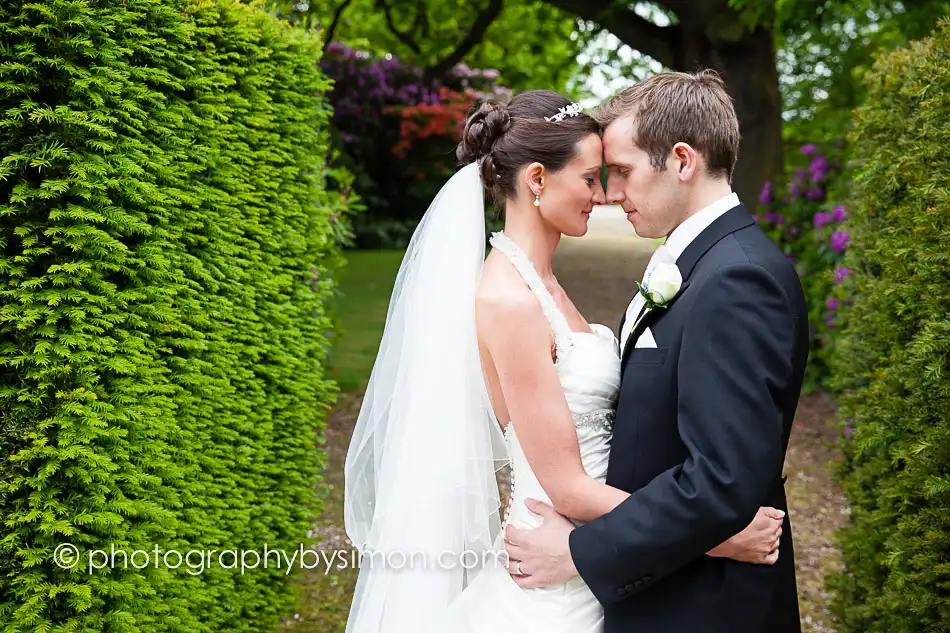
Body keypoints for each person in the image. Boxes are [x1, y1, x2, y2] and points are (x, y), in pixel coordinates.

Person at [342, 87, 784, 633]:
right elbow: (568, 487)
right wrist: (718, 539)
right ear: (536, 180)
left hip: (608, 564)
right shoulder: (508, 299)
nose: (603, 195)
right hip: (554, 575)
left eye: (612, 174)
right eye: (592, 177)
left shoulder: (547, 285)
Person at [503, 72, 809, 633]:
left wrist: (579, 552)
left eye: (621, 172)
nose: (611, 194)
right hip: (667, 588)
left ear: (683, 160)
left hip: (703, 609)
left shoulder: (737, 279)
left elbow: (718, 481)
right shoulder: (694, 262)